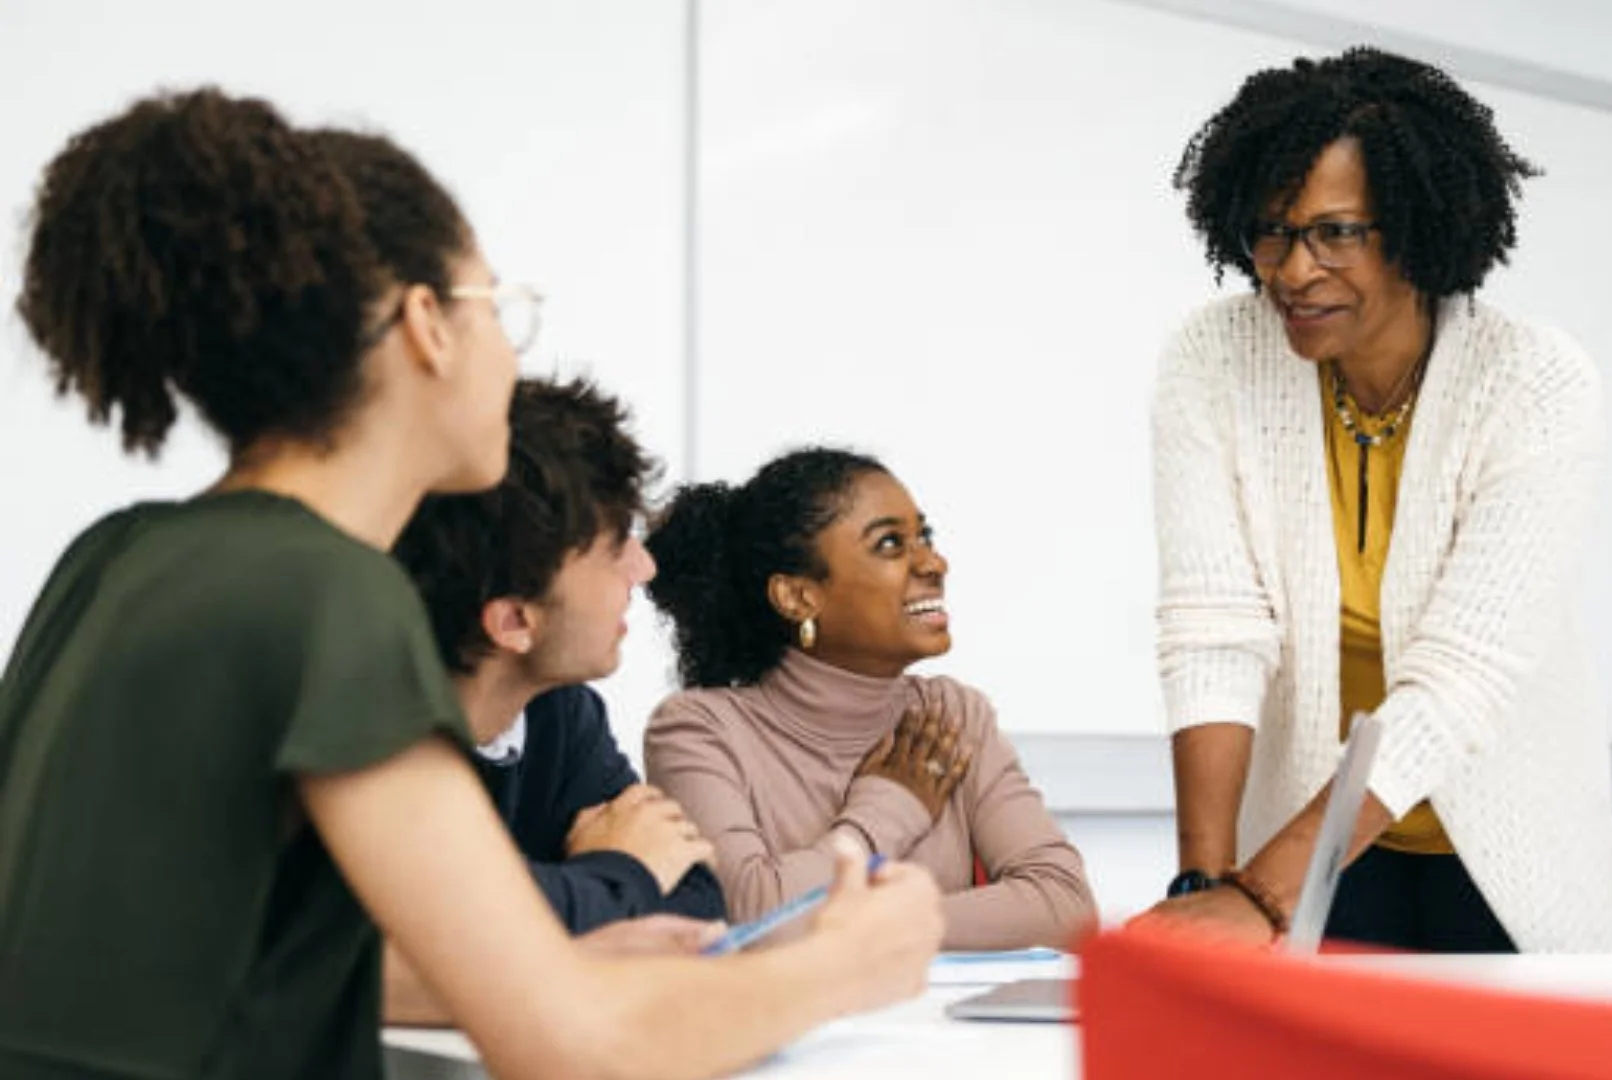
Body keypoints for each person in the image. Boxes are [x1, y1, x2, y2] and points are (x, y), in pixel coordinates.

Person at [0, 88, 940, 1080]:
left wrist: (546, 962)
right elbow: (577, 1051)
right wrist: (846, 965)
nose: (509, 353)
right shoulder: (327, 595)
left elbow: (179, 957)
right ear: (426, 327)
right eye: (500, 308)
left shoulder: (117, 555)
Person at [1145, 48, 1612, 953]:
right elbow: (1214, 626)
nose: (1293, 271)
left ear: (1414, 228)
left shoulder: (1535, 383)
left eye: (1336, 233)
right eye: (1273, 231)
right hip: (1310, 842)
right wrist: (1204, 886)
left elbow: (1460, 676)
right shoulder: (1211, 359)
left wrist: (1257, 896)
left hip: (1501, 853)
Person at [644, 448, 1098, 951]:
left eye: (924, 536)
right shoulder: (697, 731)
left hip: (947, 1031)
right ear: (798, 597)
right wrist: (887, 809)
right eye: (890, 544)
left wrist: (867, 921)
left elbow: (1066, 907)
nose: (933, 563)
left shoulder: (953, 716)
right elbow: (752, 923)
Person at [384, 375, 726, 1025]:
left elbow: (697, 902)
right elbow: (443, 931)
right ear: (514, 621)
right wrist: (620, 867)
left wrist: (563, 902)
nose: (644, 569)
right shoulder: (373, 733)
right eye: (613, 549)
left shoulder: (558, 709)